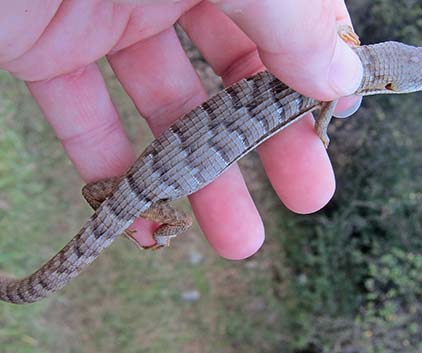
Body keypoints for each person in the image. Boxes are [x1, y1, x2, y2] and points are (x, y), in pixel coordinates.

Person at [0, 0, 363, 260]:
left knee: (179, 221)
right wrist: (157, 230)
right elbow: (91, 192)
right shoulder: (109, 194)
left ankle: (144, 230)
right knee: (176, 219)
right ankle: (148, 234)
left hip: (144, 186)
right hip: (131, 191)